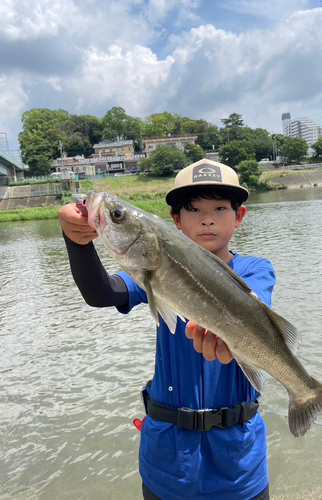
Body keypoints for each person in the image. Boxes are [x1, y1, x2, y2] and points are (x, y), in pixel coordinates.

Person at [58, 159, 276, 500]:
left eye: (220, 207)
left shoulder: (255, 269)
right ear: (175, 220)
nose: (207, 218)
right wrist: (78, 243)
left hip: (239, 464)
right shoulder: (150, 269)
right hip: (167, 462)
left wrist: (230, 326)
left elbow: (254, 304)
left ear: (240, 215)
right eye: (193, 209)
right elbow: (100, 293)